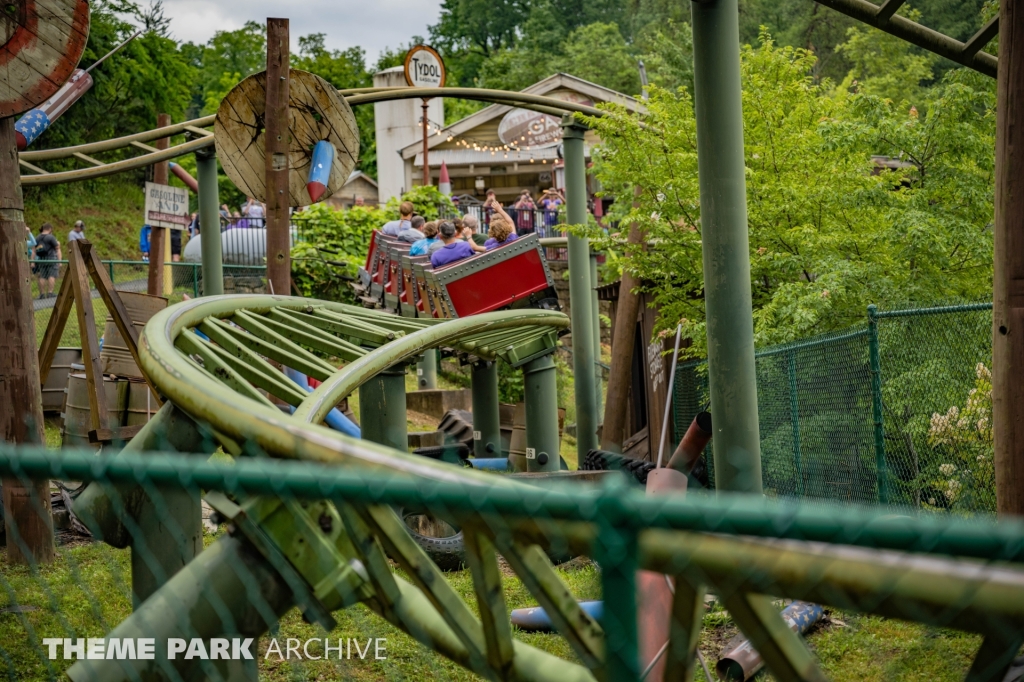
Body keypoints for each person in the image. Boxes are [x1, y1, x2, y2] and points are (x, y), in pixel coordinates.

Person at [35, 222, 60, 299]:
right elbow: (57, 248)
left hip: (41, 259)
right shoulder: (50, 237)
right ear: (49, 229)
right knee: (51, 275)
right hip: (51, 259)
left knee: (42, 276)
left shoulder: (37, 237)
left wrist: (33, 261)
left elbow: (34, 250)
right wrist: (59, 260)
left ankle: (42, 294)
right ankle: (50, 293)